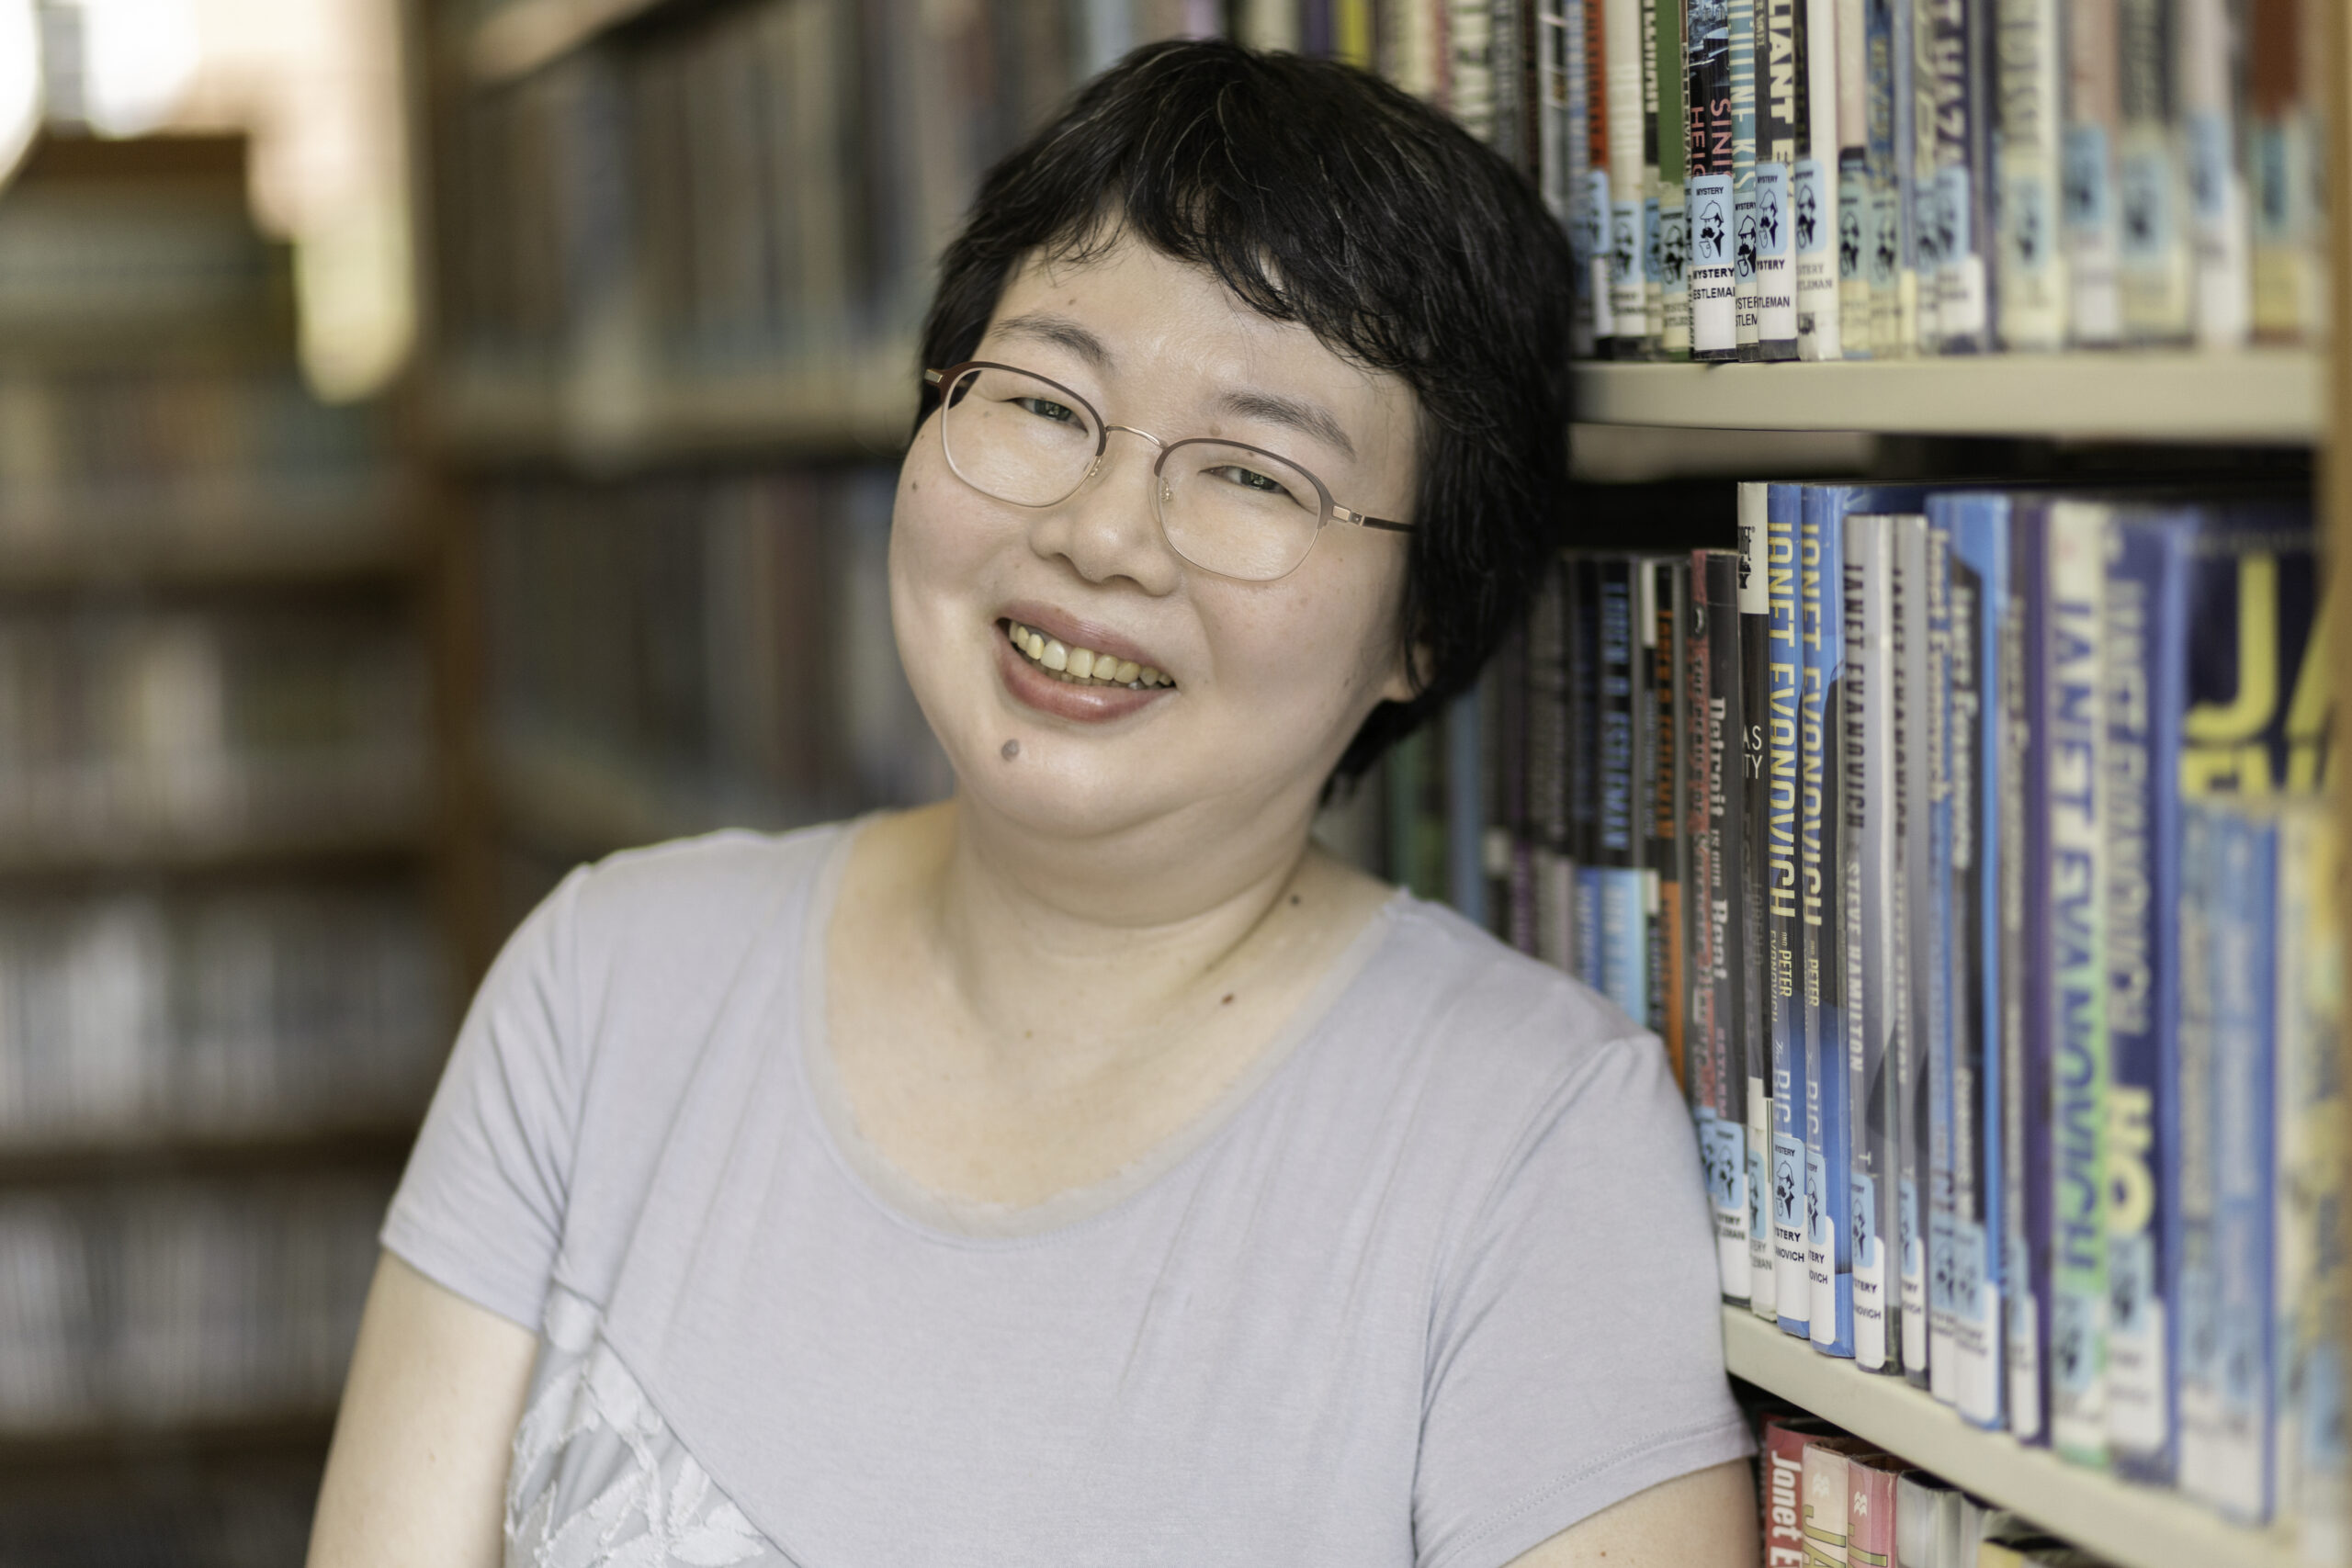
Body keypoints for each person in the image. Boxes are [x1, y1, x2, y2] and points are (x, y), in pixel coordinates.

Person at [308, 38, 1757, 1568]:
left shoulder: (1531, 1148)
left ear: (1423, 626)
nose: (1105, 533)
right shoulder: (601, 987)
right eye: (1047, 403)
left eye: (1257, 475)